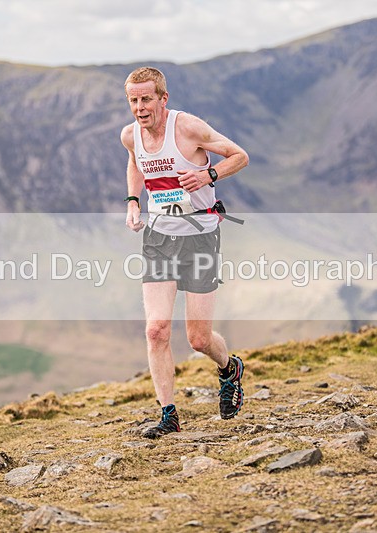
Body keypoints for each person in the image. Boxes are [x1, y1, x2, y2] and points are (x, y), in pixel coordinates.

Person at [120, 66, 250, 438]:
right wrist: (133, 201)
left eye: (147, 99)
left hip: (200, 237)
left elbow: (239, 155)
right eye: (133, 100)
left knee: (198, 339)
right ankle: (168, 415)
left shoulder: (188, 128)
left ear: (163, 98)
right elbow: (135, 163)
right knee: (156, 330)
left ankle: (229, 368)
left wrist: (209, 176)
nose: (140, 107)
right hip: (159, 238)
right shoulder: (130, 136)